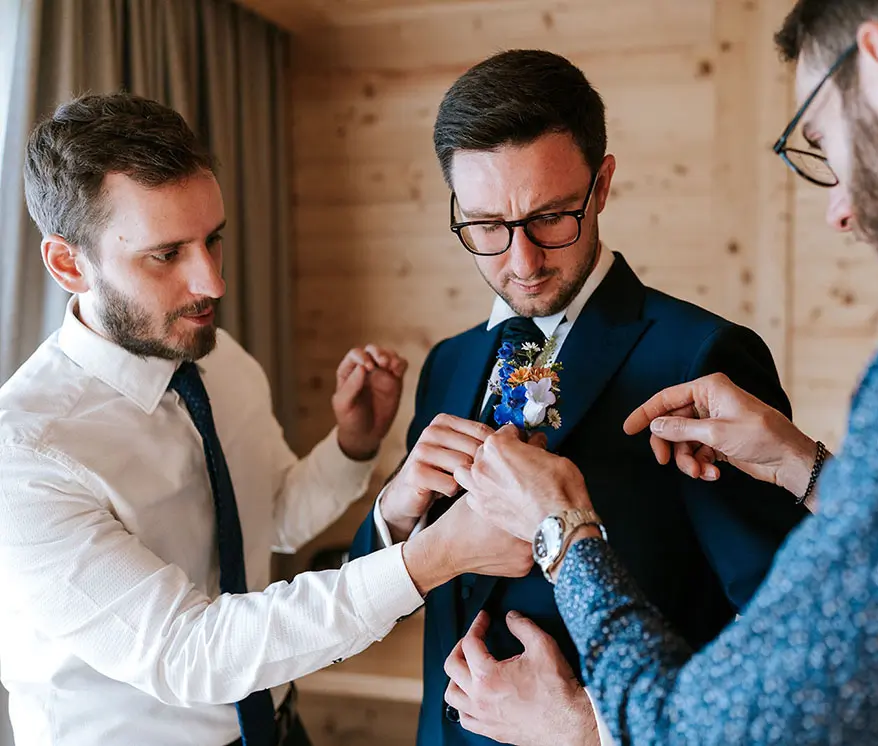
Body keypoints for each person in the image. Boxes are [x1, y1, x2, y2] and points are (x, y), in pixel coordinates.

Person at [450, 1, 878, 744]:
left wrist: (563, 532)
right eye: (486, 226)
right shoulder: (447, 363)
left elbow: (744, 716)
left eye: (824, 143)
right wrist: (806, 468)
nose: (838, 208)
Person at [0, 92, 534, 746]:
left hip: (279, 730)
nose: (213, 283)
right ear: (67, 264)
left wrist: (351, 446)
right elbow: (188, 653)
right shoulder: (24, 454)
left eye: (214, 240)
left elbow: (274, 515)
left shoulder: (219, 360)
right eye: (166, 255)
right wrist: (428, 559)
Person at [349, 50, 810, 745]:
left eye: (551, 217)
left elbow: (784, 631)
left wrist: (590, 720)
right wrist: (394, 511)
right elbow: (372, 595)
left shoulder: (701, 358)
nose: (522, 260)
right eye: (485, 226)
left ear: (601, 185)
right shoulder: (448, 365)